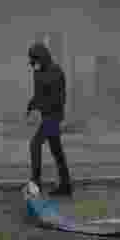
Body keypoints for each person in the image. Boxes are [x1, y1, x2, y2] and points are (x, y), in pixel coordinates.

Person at [26, 42, 73, 197]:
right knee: (56, 150)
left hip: (54, 115)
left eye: (35, 60)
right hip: (47, 115)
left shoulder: (55, 71)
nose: (33, 63)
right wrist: (31, 105)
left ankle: (36, 182)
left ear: (42, 57)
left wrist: (42, 106)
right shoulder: (37, 71)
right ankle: (66, 185)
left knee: (35, 144)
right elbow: (38, 93)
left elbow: (58, 98)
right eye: (31, 60)